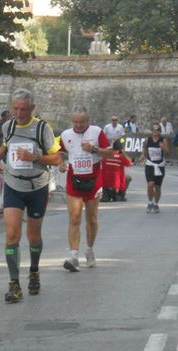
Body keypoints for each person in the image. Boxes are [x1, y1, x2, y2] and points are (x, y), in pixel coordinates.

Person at [0, 88, 59, 303]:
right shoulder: (8, 126)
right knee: (12, 235)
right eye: (16, 108)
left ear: (32, 109)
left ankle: (34, 271)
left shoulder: (42, 129)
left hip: (37, 187)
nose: (19, 113)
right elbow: (5, 144)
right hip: (13, 185)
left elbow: (57, 158)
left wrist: (34, 157)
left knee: (33, 236)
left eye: (23, 109)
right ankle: (14, 284)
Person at [59, 105, 113, 272]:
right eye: (75, 122)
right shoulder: (66, 134)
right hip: (74, 181)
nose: (78, 125)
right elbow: (60, 152)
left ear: (88, 121)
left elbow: (110, 154)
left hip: (93, 181)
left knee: (92, 219)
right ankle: (74, 256)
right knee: (74, 217)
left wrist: (94, 149)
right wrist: (61, 162)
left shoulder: (97, 132)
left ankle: (89, 251)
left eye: (82, 122)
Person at [140, 124, 168, 213]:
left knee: (158, 187)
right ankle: (150, 202)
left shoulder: (163, 140)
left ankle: (156, 204)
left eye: (157, 130)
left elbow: (168, 153)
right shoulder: (148, 140)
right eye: (154, 130)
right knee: (150, 184)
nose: (155, 132)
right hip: (150, 165)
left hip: (160, 166)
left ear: (160, 131)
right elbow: (144, 148)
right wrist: (143, 155)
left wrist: (163, 148)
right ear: (151, 131)